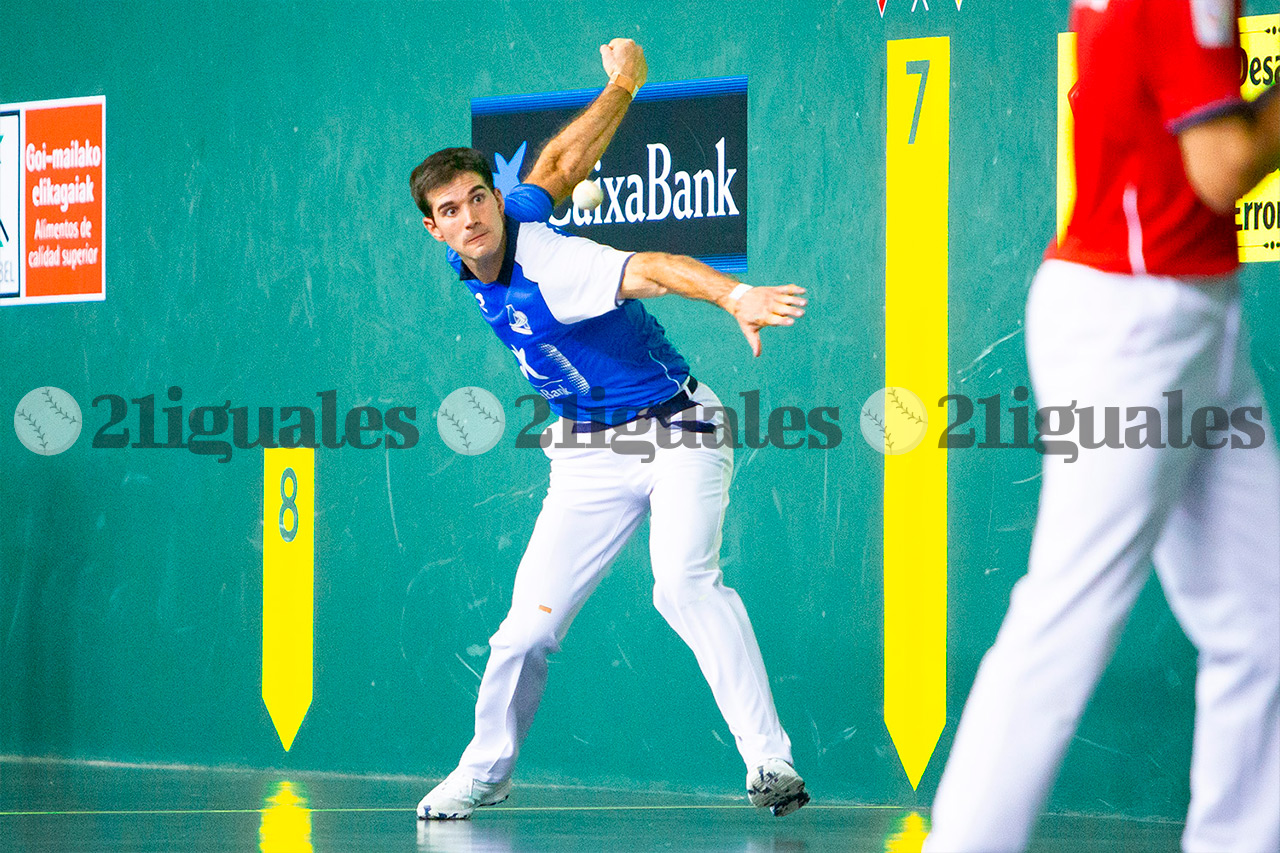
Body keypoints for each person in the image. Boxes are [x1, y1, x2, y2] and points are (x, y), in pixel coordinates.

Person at [408, 38, 811, 821]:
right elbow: (558, 166)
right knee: (522, 635)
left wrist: (734, 297)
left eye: (476, 199)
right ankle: (486, 771)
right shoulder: (507, 221)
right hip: (587, 456)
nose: (470, 217)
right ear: (436, 230)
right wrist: (624, 83)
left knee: (683, 584)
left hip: (679, 430)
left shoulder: (556, 266)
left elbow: (655, 266)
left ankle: (771, 761)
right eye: (450, 210)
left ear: (492, 196)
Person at [924, 1, 1280, 850]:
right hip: (1133, 322)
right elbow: (1223, 165)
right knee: (1068, 615)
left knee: (1264, 620)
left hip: (1195, 310)